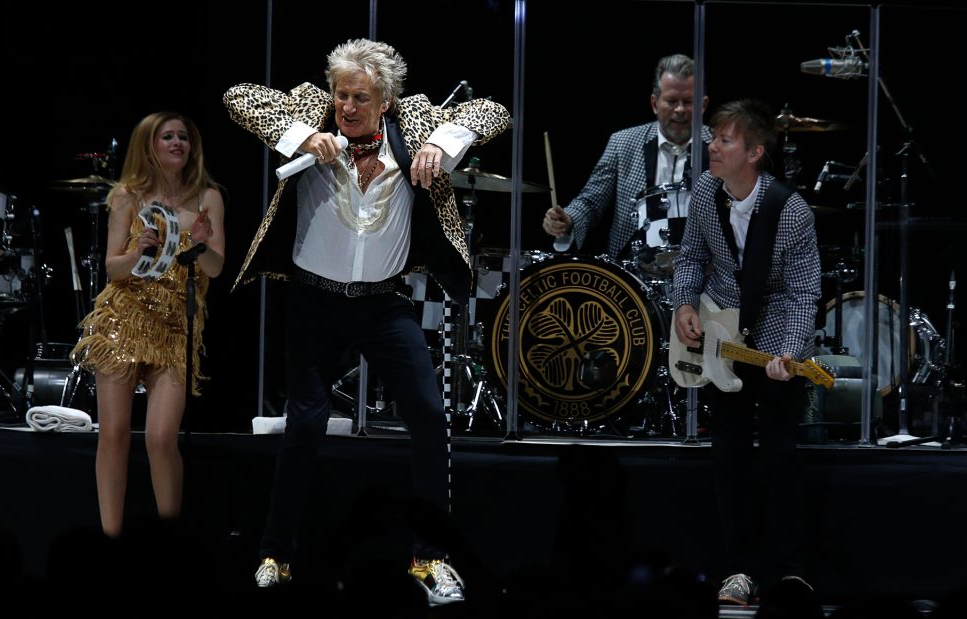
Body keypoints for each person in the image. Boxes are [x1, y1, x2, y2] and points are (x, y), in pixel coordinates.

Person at [223, 38, 510, 604]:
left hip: (383, 304)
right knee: (305, 424)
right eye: (342, 94)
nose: (347, 106)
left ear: (386, 101)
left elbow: (493, 111)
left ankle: (430, 559)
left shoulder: (415, 122)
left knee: (428, 415)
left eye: (360, 97)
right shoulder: (312, 111)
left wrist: (440, 142)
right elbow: (238, 97)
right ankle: (275, 555)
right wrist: (301, 135)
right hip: (314, 301)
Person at [670, 99, 820, 605]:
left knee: (780, 457)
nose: (712, 147)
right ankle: (739, 570)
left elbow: (802, 293)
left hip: (774, 340)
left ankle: (791, 573)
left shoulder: (790, 211)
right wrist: (684, 304)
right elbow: (691, 258)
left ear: (754, 153)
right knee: (729, 456)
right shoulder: (706, 192)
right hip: (721, 335)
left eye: (724, 140)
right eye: (714, 138)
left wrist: (787, 353)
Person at [71, 112, 226, 538]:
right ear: (149, 146)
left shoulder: (208, 197)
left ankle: (169, 542)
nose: (177, 143)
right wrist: (137, 250)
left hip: (174, 327)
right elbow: (112, 269)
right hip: (123, 320)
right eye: (167, 137)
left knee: (160, 438)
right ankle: (111, 538)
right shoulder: (128, 196)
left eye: (183, 137)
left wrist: (200, 244)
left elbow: (215, 268)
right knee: (114, 434)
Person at [542, 53, 710, 267]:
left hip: (703, 271)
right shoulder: (622, 143)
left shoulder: (719, 146)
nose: (680, 110)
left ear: (703, 105)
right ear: (655, 103)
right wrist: (569, 219)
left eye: (688, 102)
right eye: (671, 101)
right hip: (629, 269)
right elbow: (590, 202)